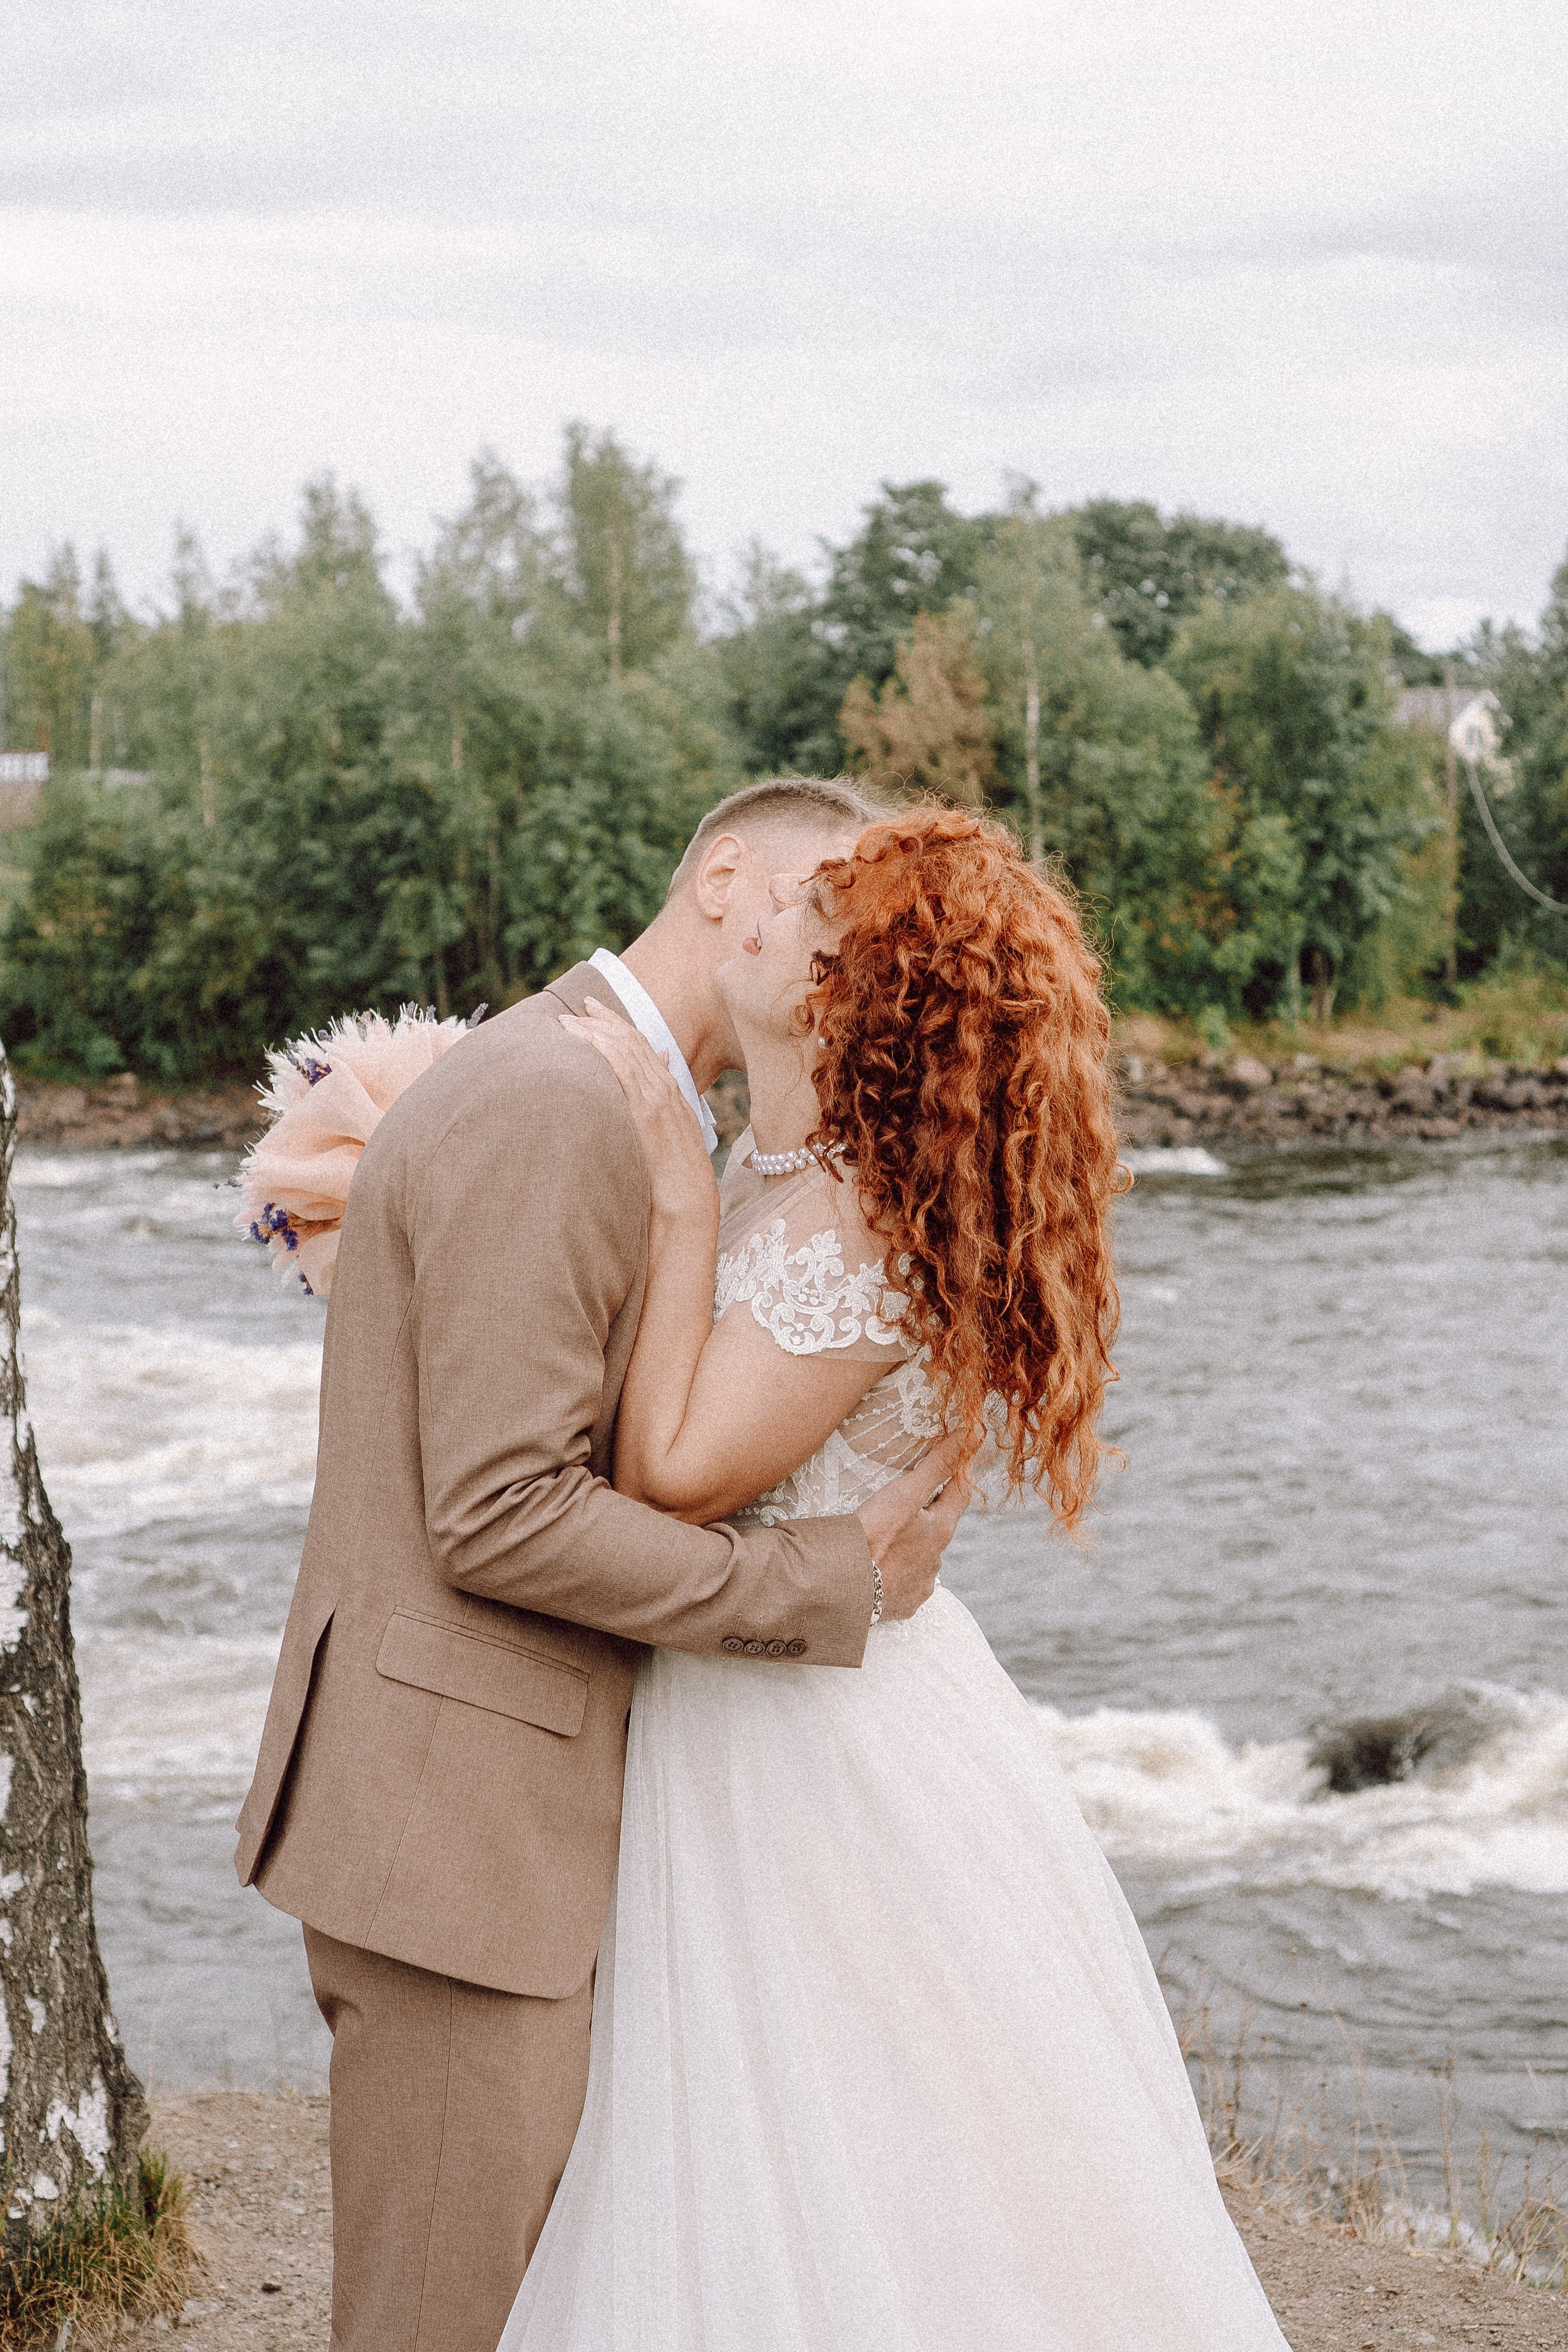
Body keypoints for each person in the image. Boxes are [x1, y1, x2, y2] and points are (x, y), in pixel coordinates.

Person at [500, 805, 1292, 2350]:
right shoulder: (784, 1166)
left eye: (811, 910)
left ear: (859, 988)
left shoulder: (861, 1221)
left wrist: (668, 1180)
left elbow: (668, 1466)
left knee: (863, 2141)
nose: (768, 915)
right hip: (757, 1701)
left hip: (811, 1751)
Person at [233, 778, 970, 2352]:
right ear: (725, 879)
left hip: (519, 1824)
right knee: (439, 2322)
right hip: (457, 1835)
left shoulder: (634, 1101)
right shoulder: (559, 1095)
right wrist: (817, 1583)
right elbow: (496, 1511)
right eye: (811, 902)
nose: (828, 942)